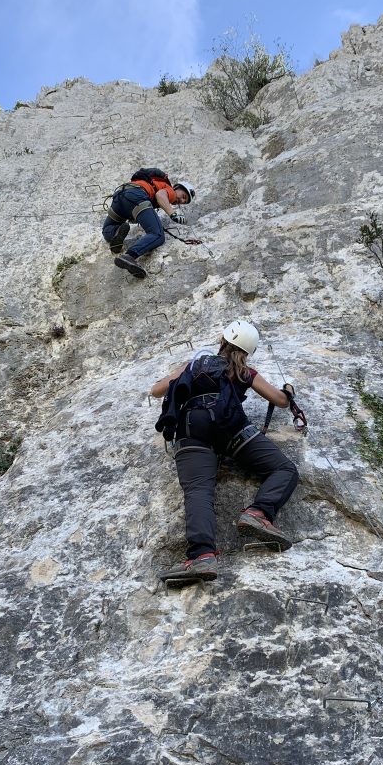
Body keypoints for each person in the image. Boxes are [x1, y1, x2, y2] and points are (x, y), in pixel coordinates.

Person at [150, 320, 299, 583]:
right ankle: (259, 513)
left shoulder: (194, 365)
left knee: (198, 490)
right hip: (231, 427)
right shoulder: (245, 372)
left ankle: (202, 556)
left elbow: (156, 390)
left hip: (192, 429)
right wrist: (288, 391)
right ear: (247, 350)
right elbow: (280, 401)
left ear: (223, 341)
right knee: (284, 468)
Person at [101, 168, 195, 280]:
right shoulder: (170, 190)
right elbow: (160, 195)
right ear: (177, 188)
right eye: (184, 196)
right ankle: (130, 256)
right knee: (157, 235)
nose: (182, 201)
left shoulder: (154, 183)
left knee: (107, 228)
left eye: (185, 202)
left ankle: (116, 232)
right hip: (137, 196)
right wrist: (173, 214)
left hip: (120, 195)